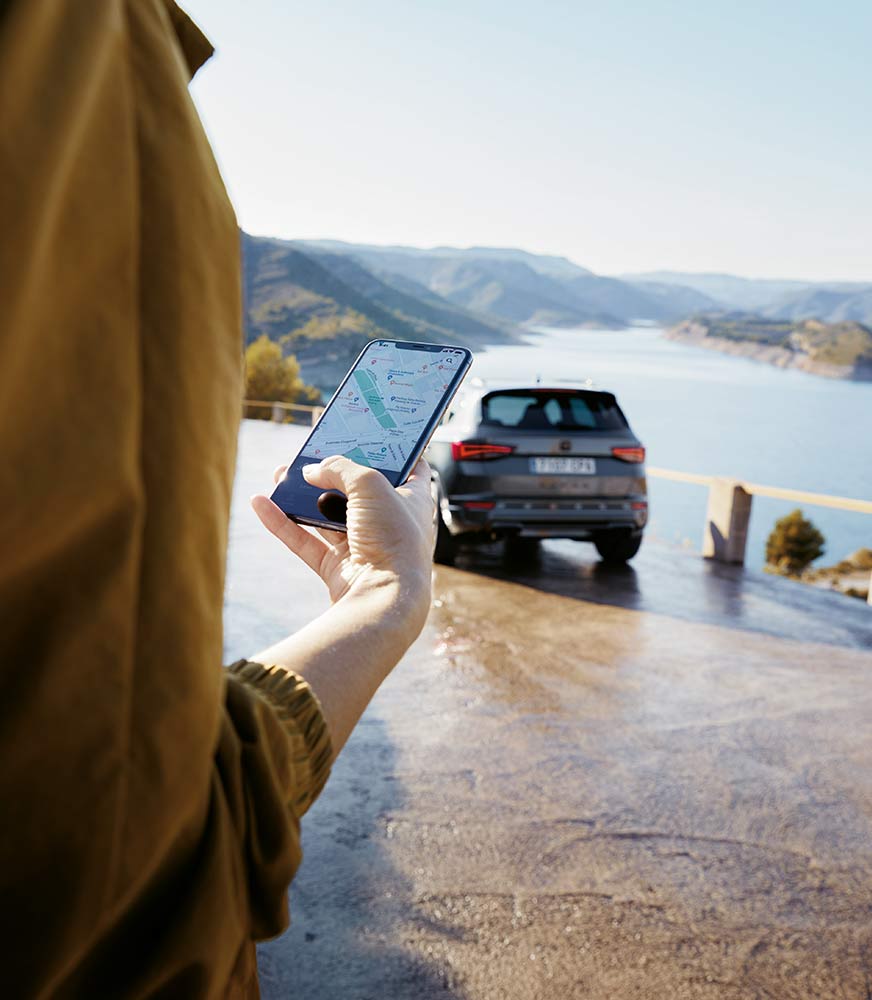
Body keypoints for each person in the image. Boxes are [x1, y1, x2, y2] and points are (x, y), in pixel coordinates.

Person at [0, 2, 434, 996]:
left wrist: (379, 605)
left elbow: (118, 782)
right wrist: (384, 603)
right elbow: (103, 857)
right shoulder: (77, 46)